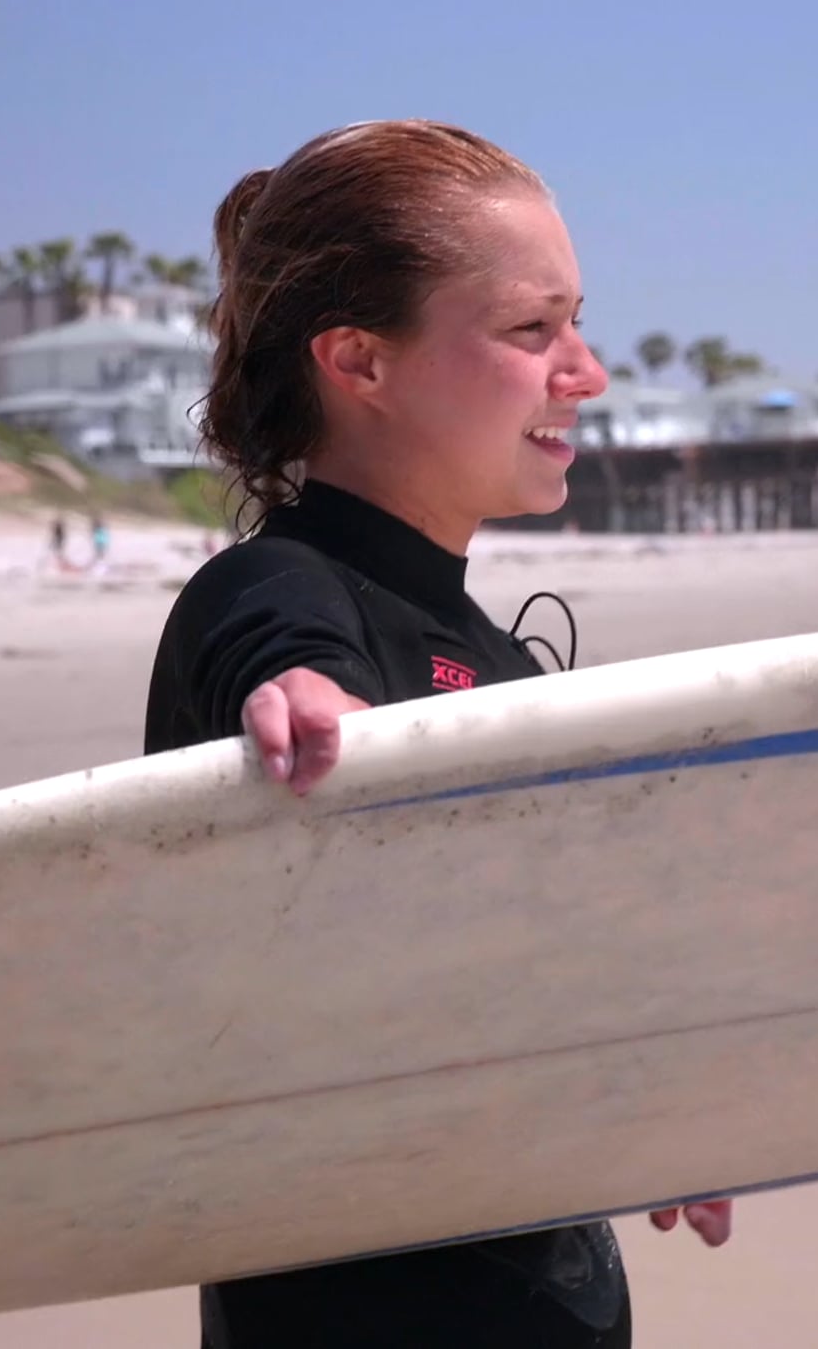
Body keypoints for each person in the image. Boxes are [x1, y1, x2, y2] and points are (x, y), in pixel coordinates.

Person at [143, 119, 730, 1349]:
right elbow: (277, 658)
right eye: (532, 329)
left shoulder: (491, 654)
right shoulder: (280, 592)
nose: (586, 372)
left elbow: (498, 971)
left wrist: (646, 1095)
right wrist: (302, 700)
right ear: (361, 361)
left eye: (577, 324)